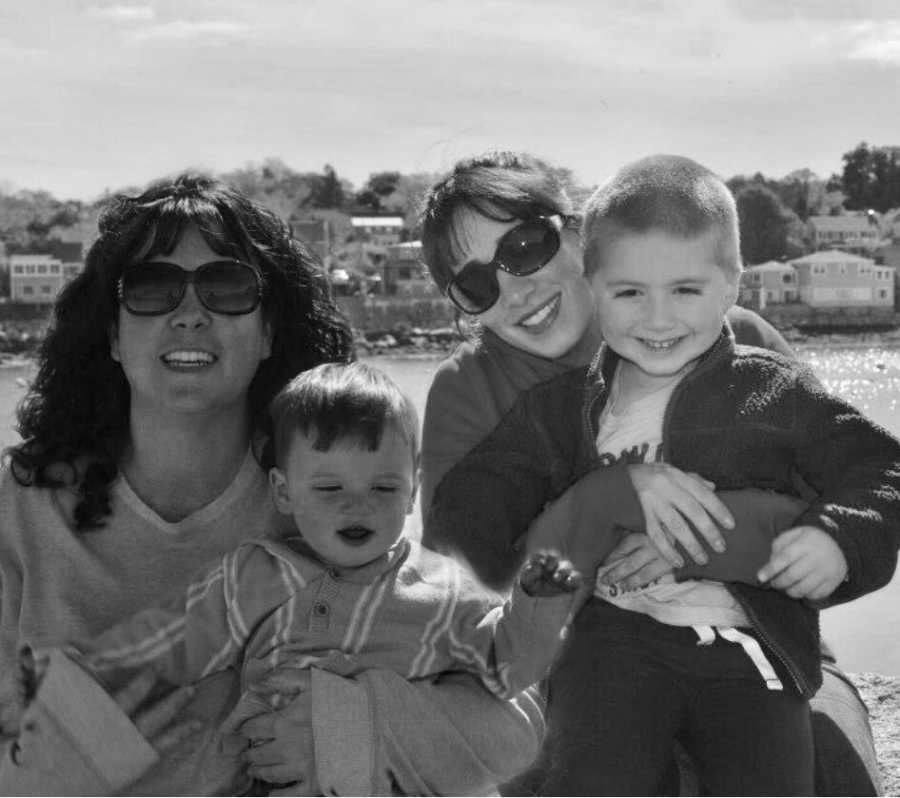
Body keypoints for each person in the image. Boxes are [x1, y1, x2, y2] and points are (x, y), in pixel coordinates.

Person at [0, 173, 546, 795]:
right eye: (152, 289)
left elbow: (515, 722)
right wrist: (102, 745)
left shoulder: (332, 499)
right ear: (111, 335)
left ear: (267, 333)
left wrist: (346, 727)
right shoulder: (19, 510)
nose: (189, 315)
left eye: (226, 287)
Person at [419, 150, 888, 795]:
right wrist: (606, 502)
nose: (514, 289)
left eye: (525, 246)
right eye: (475, 284)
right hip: (579, 661)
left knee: (832, 769)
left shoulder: (739, 345)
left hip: (755, 639)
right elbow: (458, 580)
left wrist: (706, 542)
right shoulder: (483, 393)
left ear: (578, 232)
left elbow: (841, 514)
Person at [12, 361, 581, 794]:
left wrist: (537, 603)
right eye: (329, 490)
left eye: (383, 489)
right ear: (283, 492)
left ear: (413, 485)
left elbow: (507, 671)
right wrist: (59, 697)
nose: (356, 507)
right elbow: (160, 653)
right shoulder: (255, 577)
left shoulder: (442, 591)